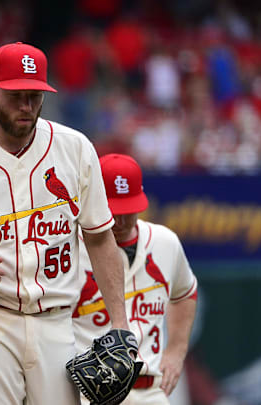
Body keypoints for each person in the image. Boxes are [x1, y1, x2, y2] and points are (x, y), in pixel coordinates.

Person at [0, 42, 131, 405]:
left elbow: (101, 239)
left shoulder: (75, 148)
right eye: (15, 95)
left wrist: (120, 323)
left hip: (56, 322)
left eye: (35, 95)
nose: (26, 105)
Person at [72, 153, 198, 405]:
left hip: (149, 389)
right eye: (112, 210)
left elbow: (186, 293)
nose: (118, 221)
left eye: (126, 211)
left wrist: (176, 350)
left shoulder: (165, 242)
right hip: (89, 391)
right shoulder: (70, 247)